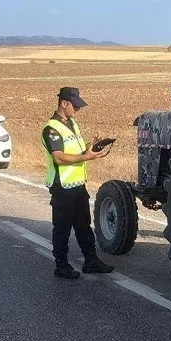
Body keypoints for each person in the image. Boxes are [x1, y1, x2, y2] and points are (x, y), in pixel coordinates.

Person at [41, 86, 115, 279]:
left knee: (83, 224)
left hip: (77, 184)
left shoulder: (72, 123)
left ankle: (91, 261)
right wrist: (87, 157)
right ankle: (61, 265)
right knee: (62, 228)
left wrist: (92, 146)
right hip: (62, 186)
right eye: (75, 106)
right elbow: (58, 157)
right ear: (64, 103)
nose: (78, 109)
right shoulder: (51, 129)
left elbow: (77, 151)